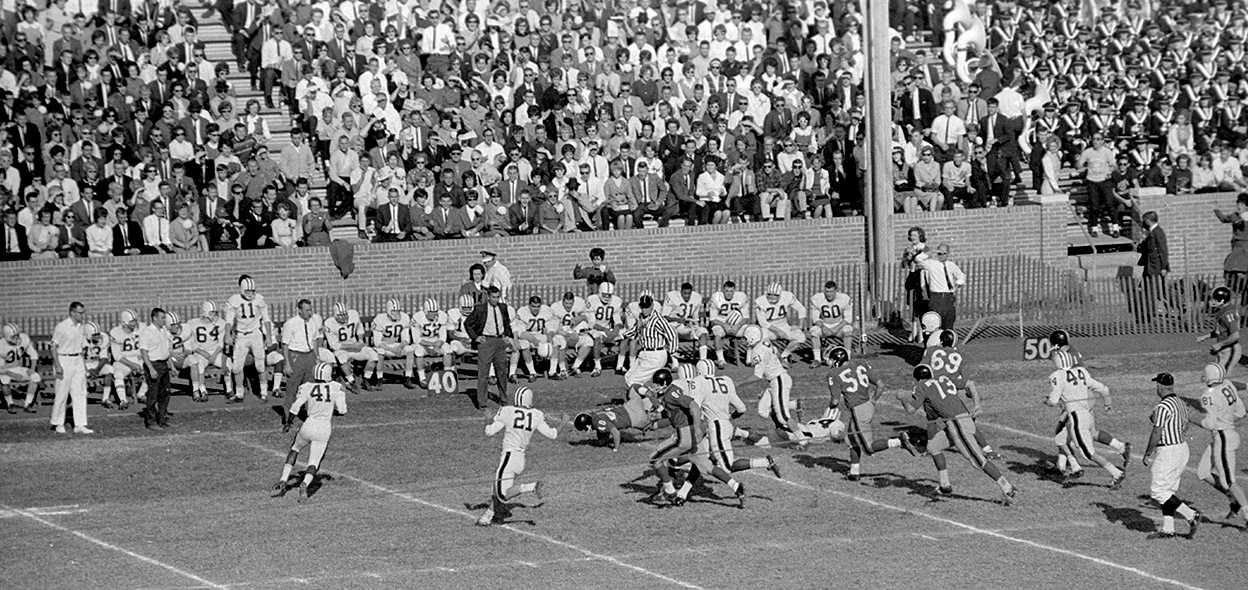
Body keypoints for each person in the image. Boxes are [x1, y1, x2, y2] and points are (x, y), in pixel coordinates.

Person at [902, 364, 1017, 504]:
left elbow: (911, 410)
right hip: (962, 421)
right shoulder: (942, 378)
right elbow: (970, 383)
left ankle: (1007, 487)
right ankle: (945, 485)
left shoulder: (922, 385)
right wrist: (977, 405)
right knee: (933, 447)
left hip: (957, 424)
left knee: (977, 460)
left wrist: (901, 398)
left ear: (917, 378)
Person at [646, 368, 746, 508]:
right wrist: (656, 417)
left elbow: (693, 405)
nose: (655, 386)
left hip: (685, 436)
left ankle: (669, 492)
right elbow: (674, 413)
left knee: (655, 458)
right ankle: (736, 486)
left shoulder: (670, 394)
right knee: (707, 467)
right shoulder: (671, 392)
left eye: (657, 384)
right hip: (692, 436)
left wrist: (697, 426)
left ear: (664, 383)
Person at [826, 346, 917, 481]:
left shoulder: (833, 373)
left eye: (830, 359)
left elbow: (835, 401)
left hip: (858, 410)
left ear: (836, 360)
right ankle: (854, 472)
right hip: (867, 405)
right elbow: (880, 384)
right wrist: (873, 401)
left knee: (869, 447)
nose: (829, 362)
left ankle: (899, 441)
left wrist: (830, 407)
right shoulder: (861, 364)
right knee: (851, 439)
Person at [1044, 350, 1128, 488]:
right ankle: (1071, 467)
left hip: (1077, 419)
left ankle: (1116, 473)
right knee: (1061, 437)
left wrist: (1046, 401)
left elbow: (1053, 401)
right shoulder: (1081, 371)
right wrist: (1108, 405)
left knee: (1089, 453)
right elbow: (1104, 389)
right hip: (1087, 415)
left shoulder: (1057, 376)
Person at [476, 386, 557, 526]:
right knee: (497, 486)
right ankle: (489, 516)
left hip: (509, 457)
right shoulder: (536, 414)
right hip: (520, 459)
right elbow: (552, 434)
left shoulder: (508, 411)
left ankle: (531, 487)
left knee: (502, 494)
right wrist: (563, 422)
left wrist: (487, 419)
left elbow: (489, 431)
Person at [690, 359, 781, 477]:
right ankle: (684, 487)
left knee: (728, 467)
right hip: (726, 425)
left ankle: (765, 462)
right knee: (707, 458)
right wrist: (729, 417)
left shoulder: (700, 382)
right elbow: (741, 409)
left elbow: (694, 408)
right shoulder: (726, 380)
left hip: (716, 427)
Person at [274, 363, 347, 502]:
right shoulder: (336, 387)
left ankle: (283, 479)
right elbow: (342, 410)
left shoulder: (307, 387)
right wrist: (330, 410)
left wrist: (288, 423)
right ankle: (305, 484)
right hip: (324, 427)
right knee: (314, 461)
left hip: (308, 424)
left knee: (295, 449)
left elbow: (295, 407)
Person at [1142, 372, 1202, 539]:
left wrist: (1148, 453)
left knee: (1158, 491)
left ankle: (1191, 515)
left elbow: (1156, 432)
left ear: (1159, 387)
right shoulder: (1181, 403)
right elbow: (1185, 425)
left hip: (1169, 451)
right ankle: (1168, 529)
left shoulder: (1162, 407)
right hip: (1182, 448)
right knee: (1167, 490)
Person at [1190, 363, 1247, 527]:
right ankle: (1234, 500)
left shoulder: (1208, 395)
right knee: (1203, 472)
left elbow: (1209, 424)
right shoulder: (1227, 384)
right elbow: (1241, 412)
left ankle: (1247, 514)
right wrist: (1227, 421)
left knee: (1228, 481)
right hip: (1226, 435)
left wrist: (1189, 418)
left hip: (1222, 438)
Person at [744, 325, 805, 446]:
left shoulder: (758, 352)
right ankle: (793, 404)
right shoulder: (764, 342)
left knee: (783, 417)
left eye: (745, 338)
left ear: (751, 338)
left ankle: (802, 440)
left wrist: (739, 383)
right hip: (774, 380)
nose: (744, 341)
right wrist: (781, 362)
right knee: (763, 411)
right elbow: (776, 351)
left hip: (779, 380)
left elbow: (757, 375)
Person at [226, 274, 273, 403]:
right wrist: (228, 334)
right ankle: (239, 393)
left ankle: (264, 393)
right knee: (236, 367)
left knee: (260, 365)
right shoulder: (234, 300)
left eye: (253, 291)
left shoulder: (259, 299)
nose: (250, 294)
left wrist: (268, 336)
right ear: (241, 289)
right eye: (247, 291)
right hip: (241, 335)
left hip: (255, 334)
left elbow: (266, 319)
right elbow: (229, 320)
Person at [466, 285, 515, 408]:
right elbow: (468, 323)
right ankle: (482, 403)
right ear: (488, 297)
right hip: (486, 341)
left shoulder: (503, 307)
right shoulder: (480, 309)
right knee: (483, 373)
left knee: (502, 372)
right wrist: (476, 337)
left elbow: (506, 323)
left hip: (499, 341)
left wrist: (508, 336)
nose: (495, 300)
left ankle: (504, 399)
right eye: (493, 297)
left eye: (497, 297)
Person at [573, 387, 664, 451]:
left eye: (584, 429)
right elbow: (603, 429)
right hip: (630, 406)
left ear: (587, 425)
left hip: (634, 418)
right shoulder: (596, 414)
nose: (586, 431)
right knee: (633, 388)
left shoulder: (597, 423)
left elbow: (616, 433)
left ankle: (669, 418)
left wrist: (615, 449)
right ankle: (653, 396)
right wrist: (601, 441)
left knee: (653, 425)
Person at [619, 293, 678, 390]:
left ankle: (642, 397)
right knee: (628, 377)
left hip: (655, 355)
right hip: (644, 353)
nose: (644, 309)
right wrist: (622, 335)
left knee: (633, 381)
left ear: (652, 306)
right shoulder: (642, 317)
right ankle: (647, 395)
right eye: (642, 307)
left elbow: (672, 334)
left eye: (647, 307)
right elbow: (635, 329)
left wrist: (673, 352)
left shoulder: (657, 320)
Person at [51, 302, 92, 434]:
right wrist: (57, 365)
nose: (82, 315)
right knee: (62, 393)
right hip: (64, 359)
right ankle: (58, 423)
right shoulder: (61, 327)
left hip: (77, 359)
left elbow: (82, 346)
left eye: (83, 313)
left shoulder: (81, 326)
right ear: (72, 313)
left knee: (80, 393)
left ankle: (80, 425)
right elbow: (53, 347)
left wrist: (84, 364)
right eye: (80, 313)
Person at [183, 301, 234, 401]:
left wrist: (214, 354)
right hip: (201, 352)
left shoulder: (221, 323)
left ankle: (229, 389)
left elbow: (221, 342)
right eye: (212, 312)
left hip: (215, 352)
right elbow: (191, 343)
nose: (214, 315)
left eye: (215, 312)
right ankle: (201, 390)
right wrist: (204, 353)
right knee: (199, 365)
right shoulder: (192, 323)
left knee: (227, 363)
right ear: (205, 312)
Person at [324, 302, 380, 392]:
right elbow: (334, 345)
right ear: (335, 315)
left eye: (345, 314)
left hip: (355, 346)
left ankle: (366, 379)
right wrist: (352, 345)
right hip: (342, 348)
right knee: (341, 357)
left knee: (373, 355)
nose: (343, 317)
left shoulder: (354, 314)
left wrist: (360, 340)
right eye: (340, 315)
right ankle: (351, 381)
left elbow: (359, 328)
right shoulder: (329, 323)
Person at [281, 299, 323, 409]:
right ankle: (288, 414)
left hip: (309, 356)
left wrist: (317, 357)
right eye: (307, 310)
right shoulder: (290, 323)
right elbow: (285, 344)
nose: (310, 313)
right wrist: (287, 364)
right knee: (293, 387)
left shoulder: (312, 322)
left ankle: (309, 413)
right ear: (299, 310)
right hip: (296, 356)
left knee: (310, 386)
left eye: (311, 310)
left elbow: (314, 341)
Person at [913, 243, 965, 329]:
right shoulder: (931, 264)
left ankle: (947, 336)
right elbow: (918, 259)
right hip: (936, 297)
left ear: (948, 254)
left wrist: (957, 284)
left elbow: (961, 276)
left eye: (944, 253)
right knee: (935, 324)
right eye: (939, 253)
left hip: (948, 297)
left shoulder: (951, 265)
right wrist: (930, 252)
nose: (942, 256)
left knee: (948, 322)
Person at [753, 282, 807, 364]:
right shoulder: (760, 301)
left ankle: (783, 356)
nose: (772, 297)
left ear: (780, 294)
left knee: (801, 337)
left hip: (784, 325)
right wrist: (778, 331)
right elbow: (763, 323)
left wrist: (800, 326)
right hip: (769, 328)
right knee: (761, 337)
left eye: (775, 295)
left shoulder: (787, 296)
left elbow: (801, 309)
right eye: (769, 294)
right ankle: (769, 358)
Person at [139, 308, 174, 430]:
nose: (164, 320)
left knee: (165, 393)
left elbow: (166, 350)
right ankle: (151, 421)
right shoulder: (147, 332)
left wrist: (171, 365)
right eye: (162, 318)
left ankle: (162, 418)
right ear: (154, 318)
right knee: (153, 394)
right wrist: (151, 369)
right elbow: (144, 352)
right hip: (154, 364)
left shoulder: (163, 330)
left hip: (163, 364)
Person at [808, 280, 854, 365]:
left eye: (831, 292)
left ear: (836, 291)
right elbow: (815, 318)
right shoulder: (817, 299)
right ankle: (817, 359)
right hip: (824, 325)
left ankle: (847, 358)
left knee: (848, 330)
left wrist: (836, 328)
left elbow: (848, 318)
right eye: (827, 291)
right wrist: (823, 327)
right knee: (814, 331)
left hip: (839, 326)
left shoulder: (844, 298)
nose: (829, 294)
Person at [1199, 286, 1241, 377]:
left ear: (1222, 300)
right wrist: (1206, 337)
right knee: (1216, 374)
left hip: (1230, 348)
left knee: (1222, 376)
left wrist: (1220, 344)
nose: (1211, 302)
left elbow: (1235, 335)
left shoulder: (1227, 313)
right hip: (1223, 348)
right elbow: (1220, 331)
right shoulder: (1221, 311)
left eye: (1214, 299)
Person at [1136, 210, 1170, 322]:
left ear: (1147, 221)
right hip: (1149, 266)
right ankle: (1148, 314)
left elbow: (1163, 250)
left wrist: (1164, 267)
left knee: (1155, 291)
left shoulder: (1157, 232)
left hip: (1155, 267)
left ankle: (1177, 305)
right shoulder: (1151, 232)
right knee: (1148, 290)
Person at [662, 283, 710, 362]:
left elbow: (695, 318)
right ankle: (675, 363)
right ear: (681, 292)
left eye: (689, 294)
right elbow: (664, 317)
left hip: (687, 328)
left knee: (702, 332)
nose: (687, 296)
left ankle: (703, 361)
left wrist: (693, 324)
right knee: (671, 331)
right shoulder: (672, 296)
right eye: (685, 293)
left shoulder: (696, 298)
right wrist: (677, 320)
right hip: (675, 326)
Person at [0, 324, 42, 413]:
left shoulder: (23, 339)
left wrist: (32, 369)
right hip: (5, 370)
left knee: (35, 377)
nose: (17, 338)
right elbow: (1, 369)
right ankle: (10, 404)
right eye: (13, 336)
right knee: (4, 379)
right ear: (7, 337)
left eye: (17, 335)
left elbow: (34, 354)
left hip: (17, 367)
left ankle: (28, 404)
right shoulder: (1, 346)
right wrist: (13, 375)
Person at [708, 281, 749, 369]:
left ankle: (749, 359)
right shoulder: (716, 297)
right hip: (721, 323)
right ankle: (721, 359)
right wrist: (725, 325)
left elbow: (746, 318)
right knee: (717, 333)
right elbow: (712, 319)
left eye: (731, 291)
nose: (729, 293)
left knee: (750, 331)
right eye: (726, 291)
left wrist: (737, 326)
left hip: (736, 324)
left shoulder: (741, 297)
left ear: (734, 291)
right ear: (723, 290)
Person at [1215, 194, 1248, 296]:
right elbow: (1224, 219)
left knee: (1240, 264)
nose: (1239, 207)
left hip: (1245, 245)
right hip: (1236, 245)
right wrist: (1216, 210)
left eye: (1242, 205)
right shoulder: (1234, 216)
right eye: (1238, 204)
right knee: (1229, 265)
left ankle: (1242, 277)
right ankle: (1236, 286)